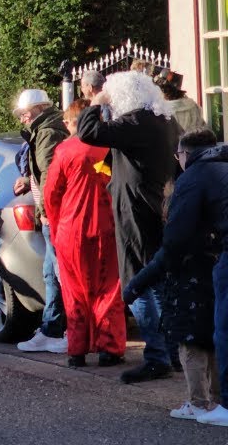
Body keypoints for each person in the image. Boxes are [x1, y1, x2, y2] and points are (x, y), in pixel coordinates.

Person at [77, 70, 180, 383]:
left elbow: (87, 131)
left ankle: (157, 356)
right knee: (159, 281)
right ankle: (172, 352)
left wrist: (97, 100)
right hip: (157, 206)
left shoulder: (137, 122)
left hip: (137, 211)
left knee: (141, 283)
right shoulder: (164, 120)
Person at [123, 130, 228, 425]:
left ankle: (198, 402)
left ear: (186, 154)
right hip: (212, 281)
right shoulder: (221, 171)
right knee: (217, 341)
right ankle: (219, 401)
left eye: (178, 155)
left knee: (191, 347)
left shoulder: (193, 179)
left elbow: (171, 247)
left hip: (188, 293)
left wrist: (135, 285)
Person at [41, 99, 126, 368]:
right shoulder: (111, 147)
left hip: (71, 228)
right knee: (108, 288)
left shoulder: (65, 150)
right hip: (107, 225)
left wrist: (55, 227)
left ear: (76, 122)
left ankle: (77, 350)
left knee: (74, 291)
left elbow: (51, 194)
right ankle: (109, 348)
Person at [12, 89, 69, 355]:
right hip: (52, 214)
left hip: (54, 215)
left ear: (39, 108)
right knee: (51, 273)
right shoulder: (46, 129)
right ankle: (52, 329)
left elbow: (49, 174)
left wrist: (45, 210)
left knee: (57, 274)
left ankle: (60, 331)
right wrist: (27, 181)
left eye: (24, 112)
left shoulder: (47, 132)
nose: (22, 118)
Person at [153, 67, 208, 136]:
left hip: (174, 145)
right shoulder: (194, 107)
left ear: (163, 91)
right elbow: (203, 129)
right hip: (194, 144)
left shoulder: (161, 111)